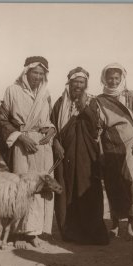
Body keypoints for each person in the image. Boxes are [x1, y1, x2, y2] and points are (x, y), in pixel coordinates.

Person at [0, 56, 55, 248]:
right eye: (34, 72)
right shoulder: (12, 91)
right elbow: (3, 120)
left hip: (41, 146)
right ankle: (18, 233)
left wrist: (51, 131)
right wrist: (21, 138)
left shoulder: (46, 93)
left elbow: (49, 121)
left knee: (39, 187)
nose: (37, 77)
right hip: (21, 143)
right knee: (22, 188)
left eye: (41, 73)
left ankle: (33, 232)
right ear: (26, 72)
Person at [51, 67, 109, 245]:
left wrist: (84, 107)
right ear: (69, 83)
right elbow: (51, 127)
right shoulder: (60, 103)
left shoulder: (92, 102)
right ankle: (70, 233)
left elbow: (97, 126)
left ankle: (92, 234)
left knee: (87, 190)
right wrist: (56, 144)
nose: (78, 85)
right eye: (75, 82)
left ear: (86, 84)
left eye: (81, 82)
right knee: (67, 191)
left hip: (86, 156)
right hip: (65, 154)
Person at [95, 63, 133, 239]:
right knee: (114, 184)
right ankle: (114, 225)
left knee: (131, 184)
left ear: (122, 79)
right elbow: (98, 127)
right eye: (110, 78)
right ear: (105, 78)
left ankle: (129, 226)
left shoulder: (131, 96)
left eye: (116, 78)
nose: (113, 81)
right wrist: (101, 151)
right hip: (111, 148)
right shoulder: (99, 100)